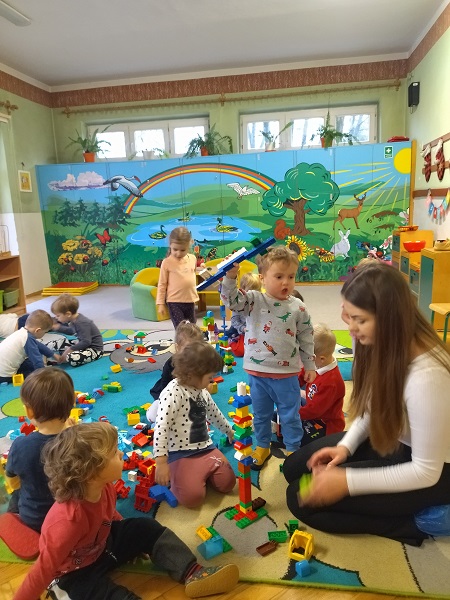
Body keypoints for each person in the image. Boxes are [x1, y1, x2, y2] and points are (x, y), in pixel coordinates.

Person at [284, 261, 450, 546]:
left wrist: (346, 482)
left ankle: (416, 525)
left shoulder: (428, 378)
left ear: (389, 319)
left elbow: (425, 471)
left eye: (359, 319)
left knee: (299, 499)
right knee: (294, 468)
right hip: (398, 441)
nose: (351, 329)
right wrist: (345, 447)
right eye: (348, 316)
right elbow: (374, 408)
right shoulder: (384, 344)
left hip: (435, 472)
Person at [13, 422, 239, 600]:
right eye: (114, 453)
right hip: (71, 574)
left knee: (143, 527)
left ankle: (192, 571)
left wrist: (130, 541)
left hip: (102, 547)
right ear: (91, 472)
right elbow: (42, 570)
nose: (121, 454)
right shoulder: (66, 521)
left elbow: (108, 517)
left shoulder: (104, 487)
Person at [221, 246, 316, 469]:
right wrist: (230, 276)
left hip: (286, 375)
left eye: (291, 276)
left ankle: (293, 450)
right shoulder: (253, 300)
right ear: (262, 278)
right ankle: (263, 445)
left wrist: (310, 364)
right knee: (261, 415)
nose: (286, 282)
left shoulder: (298, 307)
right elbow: (231, 301)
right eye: (279, 276)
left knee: (290, 415)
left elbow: (306, 337)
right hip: (258, 374)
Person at [153, 342, 236, 508]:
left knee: (228, 483)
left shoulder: (202, 391)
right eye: (209, 378)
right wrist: (161, 462)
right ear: (192, 375)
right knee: (193, 499)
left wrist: (229, 430)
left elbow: (214, 414)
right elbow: (162, 427)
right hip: (180, 453)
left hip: (206, 447)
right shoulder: (173, 392)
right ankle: (184, 477)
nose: (212, 381)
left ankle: (199, 475)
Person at [5, 367, 75, 531]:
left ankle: (12, 523)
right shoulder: (80, 440)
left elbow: (12, 480)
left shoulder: (21, 445)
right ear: (73, 402)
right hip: (70, 518)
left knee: (16, 495)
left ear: (29, 411)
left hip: (35, 519)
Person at [146, 320, 205, 423]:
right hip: (168, 395)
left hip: (190, 395)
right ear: (178, 347)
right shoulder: (171, 364)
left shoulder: (200, 361)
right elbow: (164, 386)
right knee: (153, 416)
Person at [299, 323, 345, 444]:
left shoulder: (331, 383)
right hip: (311, 405)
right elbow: (302, 375)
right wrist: (290, 386)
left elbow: (314, 411)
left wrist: (293, 414)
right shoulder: (316, 364)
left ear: (321, 358)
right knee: (280, 412)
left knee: (299, 439)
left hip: (325, 424)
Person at [0, 310, 61, 383]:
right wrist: (43, 375)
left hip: (2, 369)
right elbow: (37, 360)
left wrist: (53, 354)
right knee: (33, 368)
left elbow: (38, 345)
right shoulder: (27, 339)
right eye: (45, 332)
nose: (44, 334)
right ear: (38, 330)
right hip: (5, 376)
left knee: (28, 361)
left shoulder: (22, 332)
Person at [156, 226, 199, 329]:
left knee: (192, 327)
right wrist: (160, 303)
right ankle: (181, 340)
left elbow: (191, 275)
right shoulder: (167, 262)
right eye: (175, 249)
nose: (178, 253)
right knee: (181, 329)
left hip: (190, 300)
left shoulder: (192, 258)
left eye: (182, 250)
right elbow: (162, 284)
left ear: (190, 244)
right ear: (170, 245)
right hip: (174, 302)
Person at [51, 293, 103, 367]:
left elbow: (86, 342)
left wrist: (70, 350)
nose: (56, 318)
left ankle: (69, 356)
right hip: (83, 345)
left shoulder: (82, 322)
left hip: (94, 350)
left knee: (71, 357)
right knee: (60, 343)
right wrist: (59, 327)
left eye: (58, 315)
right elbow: (72, 331)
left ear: (68, 314)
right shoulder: (73, 320)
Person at [225, 272, 262, 341]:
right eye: (251, 291)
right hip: (239, 330)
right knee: (229, 336)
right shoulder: (240, 303)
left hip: (253, 330)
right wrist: (243, 328)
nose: (254, 294)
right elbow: (234, 320)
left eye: (257, 290)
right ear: (243, 289)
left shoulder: (260, 300)